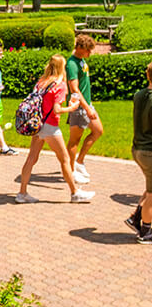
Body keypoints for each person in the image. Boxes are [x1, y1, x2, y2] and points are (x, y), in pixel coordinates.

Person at [17, 54, 95, 203]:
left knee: (31, 158)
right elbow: (57, 109)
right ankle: (75, 193)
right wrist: (71, 108)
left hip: (37, 124)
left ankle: (22, 193)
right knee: (65, 159)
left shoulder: (42, 82)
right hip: (50, 126)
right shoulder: (60, 85)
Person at [66, 34, 103, 184]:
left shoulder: (80, 60)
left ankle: (79, 162)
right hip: (79, 107)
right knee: (74, 140)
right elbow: (74, 89)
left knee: (98, 131)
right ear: (80, 48)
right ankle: (71, 170)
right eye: (88, 50)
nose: (90, 53)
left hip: (86, 104)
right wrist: (87, 108)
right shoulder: (72, 64)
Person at [126, 62, 152, 242]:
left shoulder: (139, 95)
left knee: (150, 188)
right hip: (150, 151)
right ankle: (146, 231)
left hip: (138, 149)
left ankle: (135, 218)